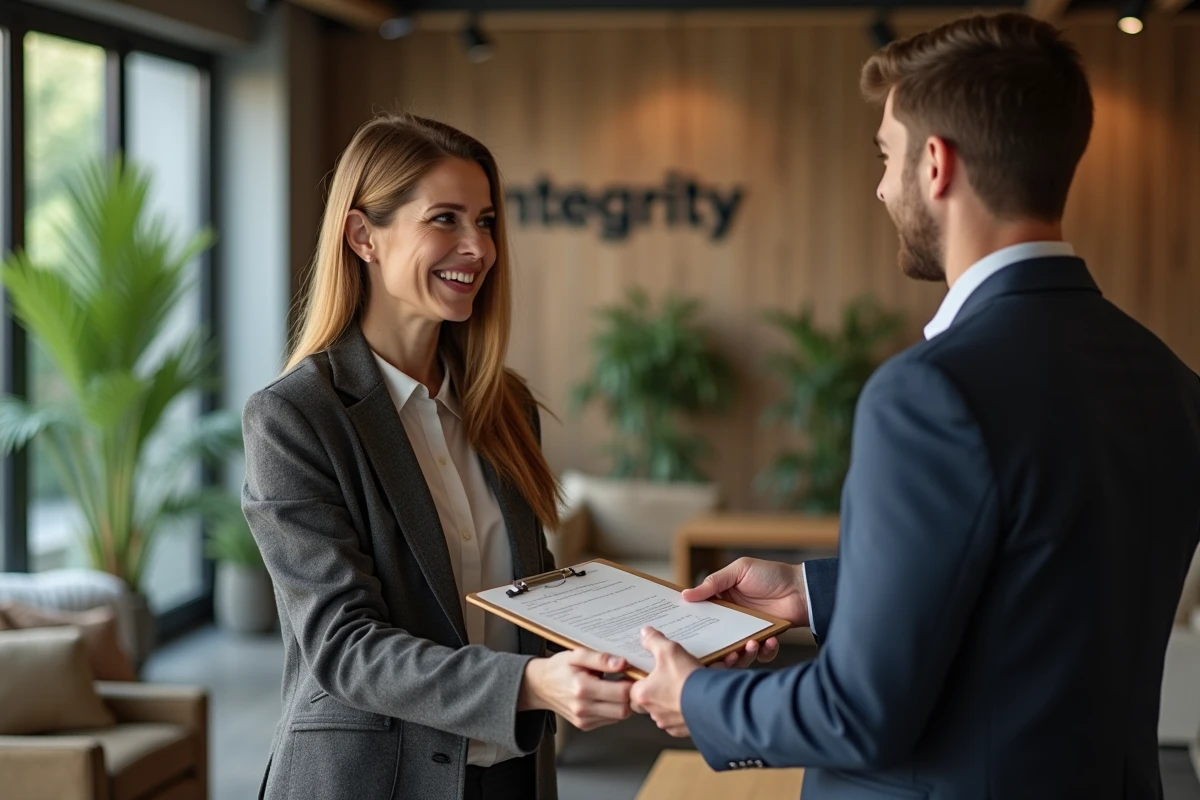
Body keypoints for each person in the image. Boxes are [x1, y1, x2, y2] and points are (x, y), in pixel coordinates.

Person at [630, 12, 1200, 798]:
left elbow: (859, 714)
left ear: (936, 165)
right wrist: (819, 593)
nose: (879, 185)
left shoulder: (931, 391)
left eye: (885, 156)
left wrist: (696, 697)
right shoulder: (1167, 378)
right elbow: (1044, 594)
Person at [241, 113, 634, 800]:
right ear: (364, 236)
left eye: (484, 222)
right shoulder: (295, 418)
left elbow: (522, 601)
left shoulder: (502, 405)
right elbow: (345, 646)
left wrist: (655, 644)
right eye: (445, 219)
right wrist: (529, 684)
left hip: (510, 774)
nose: (476, 247)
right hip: (369, 783)